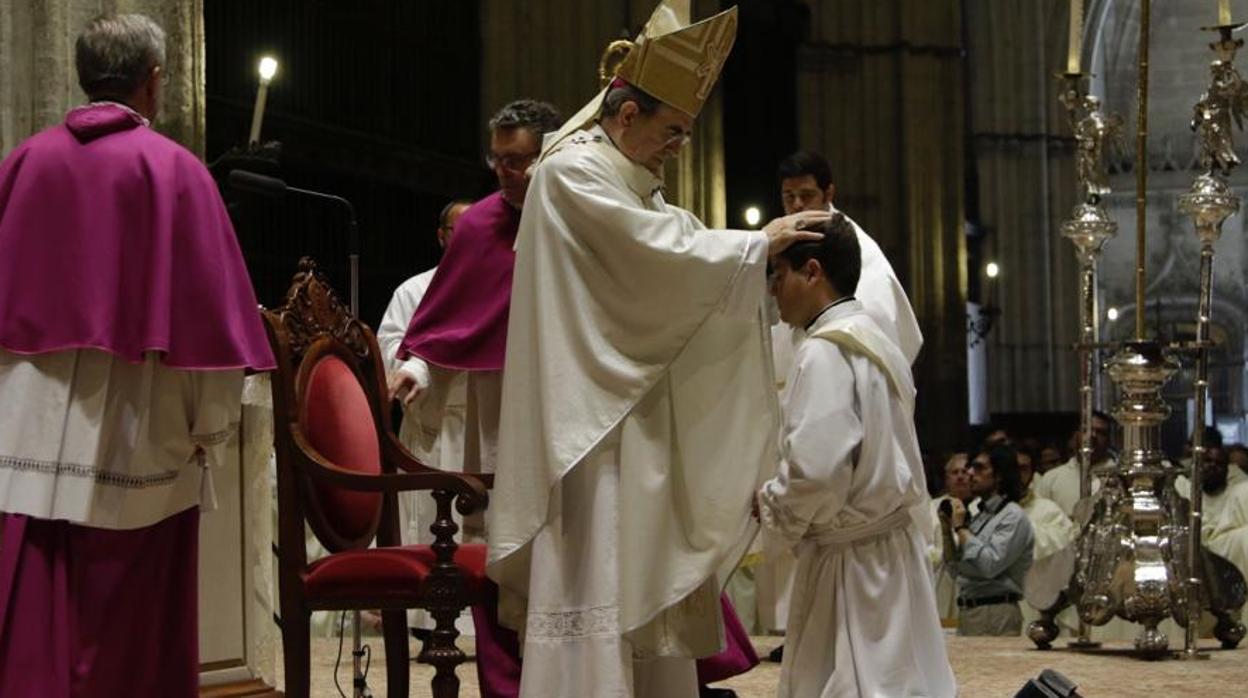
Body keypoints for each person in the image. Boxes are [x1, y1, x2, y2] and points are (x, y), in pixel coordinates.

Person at [485, 4, 828, 696]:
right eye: (672, 130)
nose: (680, 146)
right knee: (599, 571)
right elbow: (653, 256)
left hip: (627, 415)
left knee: (641, 576)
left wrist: (740, 254)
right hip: (591, 428)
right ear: (627, 114)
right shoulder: (572, 174)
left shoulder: (630, 182)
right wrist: (758, 243)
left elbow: (680, 244)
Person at [0, 14, 274, 697]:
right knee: (130, 632)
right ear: (153, 82)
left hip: (24, 428)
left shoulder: (25, 162)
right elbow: (208, 328)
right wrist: (209, 431)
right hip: (136, 432)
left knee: (37, 612)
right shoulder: (174, 171)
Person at [387, 99, 561, 698]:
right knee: (501, 548)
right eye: (500, 160)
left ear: (552, 153)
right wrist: (417, 369)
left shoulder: (579, 212)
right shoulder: (482, 223)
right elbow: (449, 321)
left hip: (567, 404)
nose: (508, 173)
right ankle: (507, 682)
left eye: (522, 160)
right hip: (500, 407)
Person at [756, 215, 956, 697]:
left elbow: (819, 474)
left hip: (851, 564)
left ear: (812, 271)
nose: (772, 293)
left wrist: (769, 506)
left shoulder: (823, 351)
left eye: (777, 276)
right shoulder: (875, 337)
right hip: (889, 549)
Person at [375, 199, 471, 634]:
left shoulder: (501, 285)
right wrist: (418, 364)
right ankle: (428, 621)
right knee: (431, 526)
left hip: (482, 423)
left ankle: (477, 622)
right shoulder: (414, 291)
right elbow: (387, 348)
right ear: (441, 236)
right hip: (432, 428)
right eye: (459, 231)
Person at [776, 150, 922, 363]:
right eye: (789, 197)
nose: (797, 205)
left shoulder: (855, 246)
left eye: (806, 195)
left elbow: (875, 319)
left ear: (828, 194)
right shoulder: (785, 240)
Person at [943, 445, 1036, 636]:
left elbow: (990, 565)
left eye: (978, 468)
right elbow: (955, 569)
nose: (969, 473)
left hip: (996, 611)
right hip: (969, 610)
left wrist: (961, 529)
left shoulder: (1013, 516)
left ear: (999, 476)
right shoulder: (980, 515)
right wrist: (947, 529)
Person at [1035, 412, 1114, 517]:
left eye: (1100, 432)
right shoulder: (1051, 478)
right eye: (1086, 430)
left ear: (1109, 440)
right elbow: (1038, 519)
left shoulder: (1118, 477)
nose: (1093, 435)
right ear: (1075, 436)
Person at [929, 452, 973, 623]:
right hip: (941, 580)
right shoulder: (931, 507)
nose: (960, 477)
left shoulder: (982, 508)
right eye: (955, 473)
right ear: (946, 479)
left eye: (964, 472)